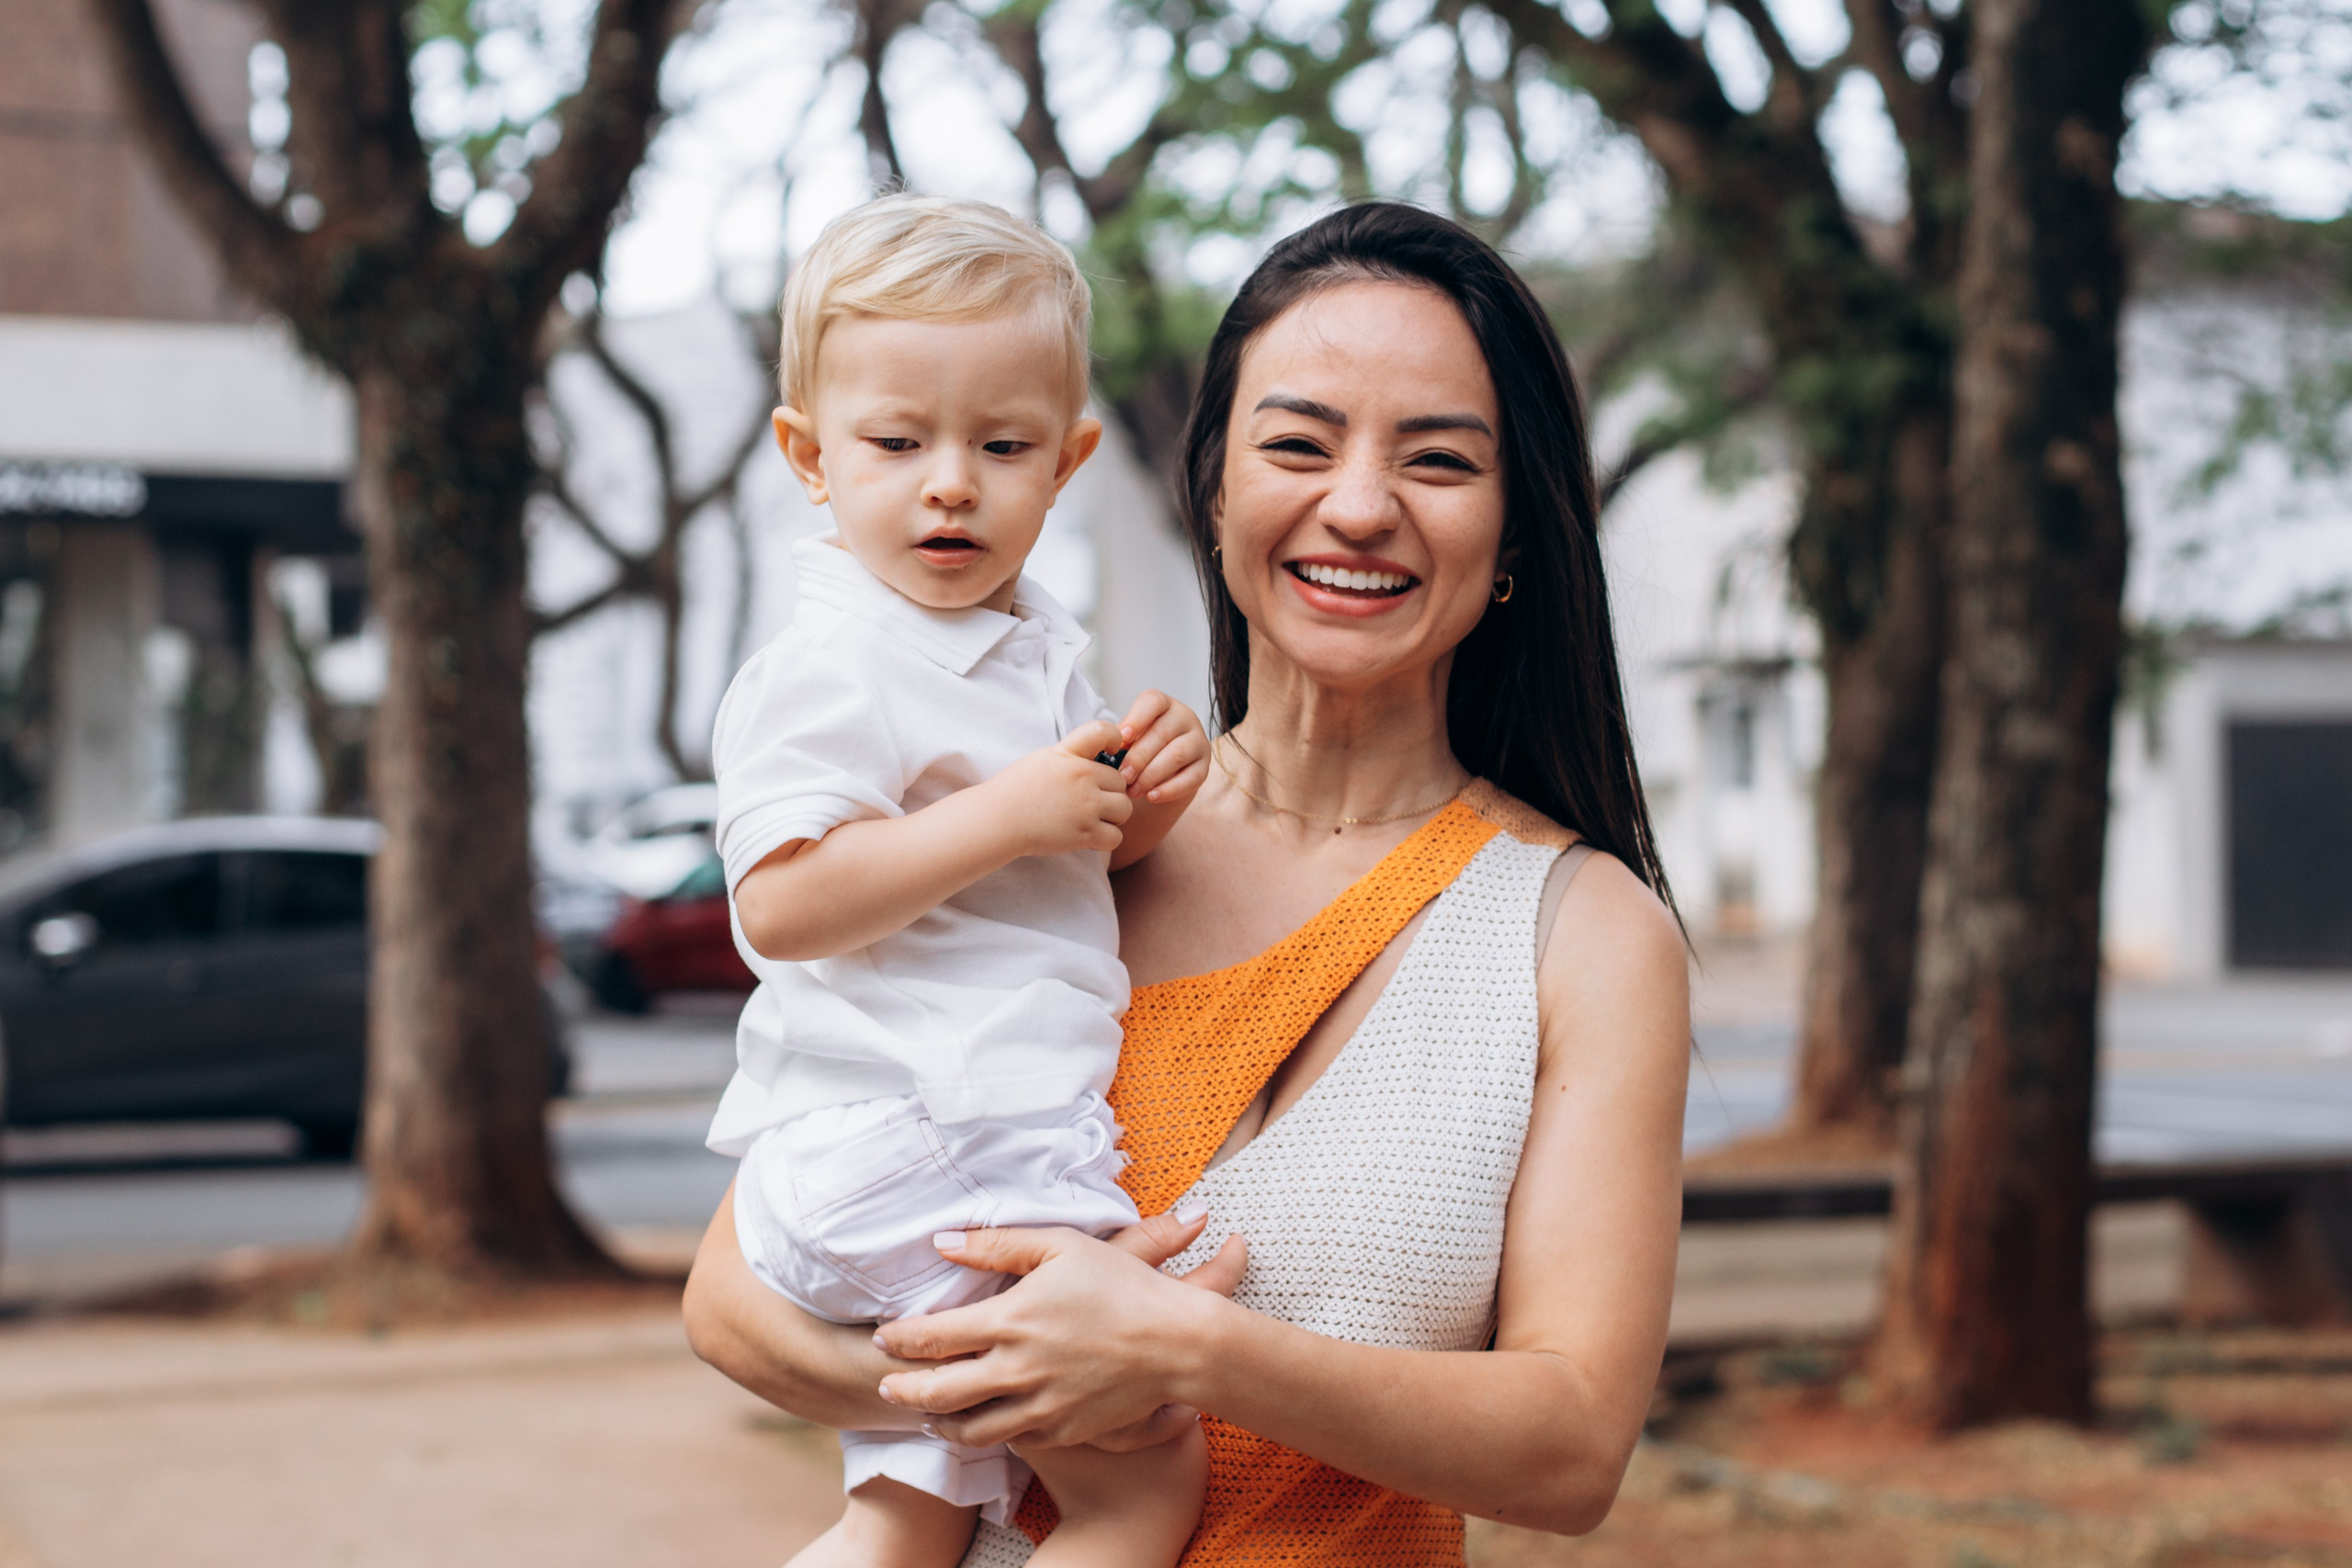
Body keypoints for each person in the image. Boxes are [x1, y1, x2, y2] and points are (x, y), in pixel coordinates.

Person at [685, 200, 1691, 1567]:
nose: (1358, 505)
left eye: (1440, 461)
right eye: (1298, 443)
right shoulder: (1063, 838)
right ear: (1210, 487)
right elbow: (734, 1294)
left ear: (1515, 533)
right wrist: (1025, 1395)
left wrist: (1182, 1350)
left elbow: (1571, 1447)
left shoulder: (1583, 934)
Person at [708, 194, 1214, 1568]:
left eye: (1002, 446)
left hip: (946, 1137)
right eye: (897, 442)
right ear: (809, 458)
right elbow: (784, 903)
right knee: (1141, 1482)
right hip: (938, 1140)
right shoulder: (830, 666)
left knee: (910, 1511)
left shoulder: (1028, 644)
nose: (951, 481)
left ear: (1068, 464)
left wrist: (1136, 812)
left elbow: (1052, 880)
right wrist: (1007, 813)